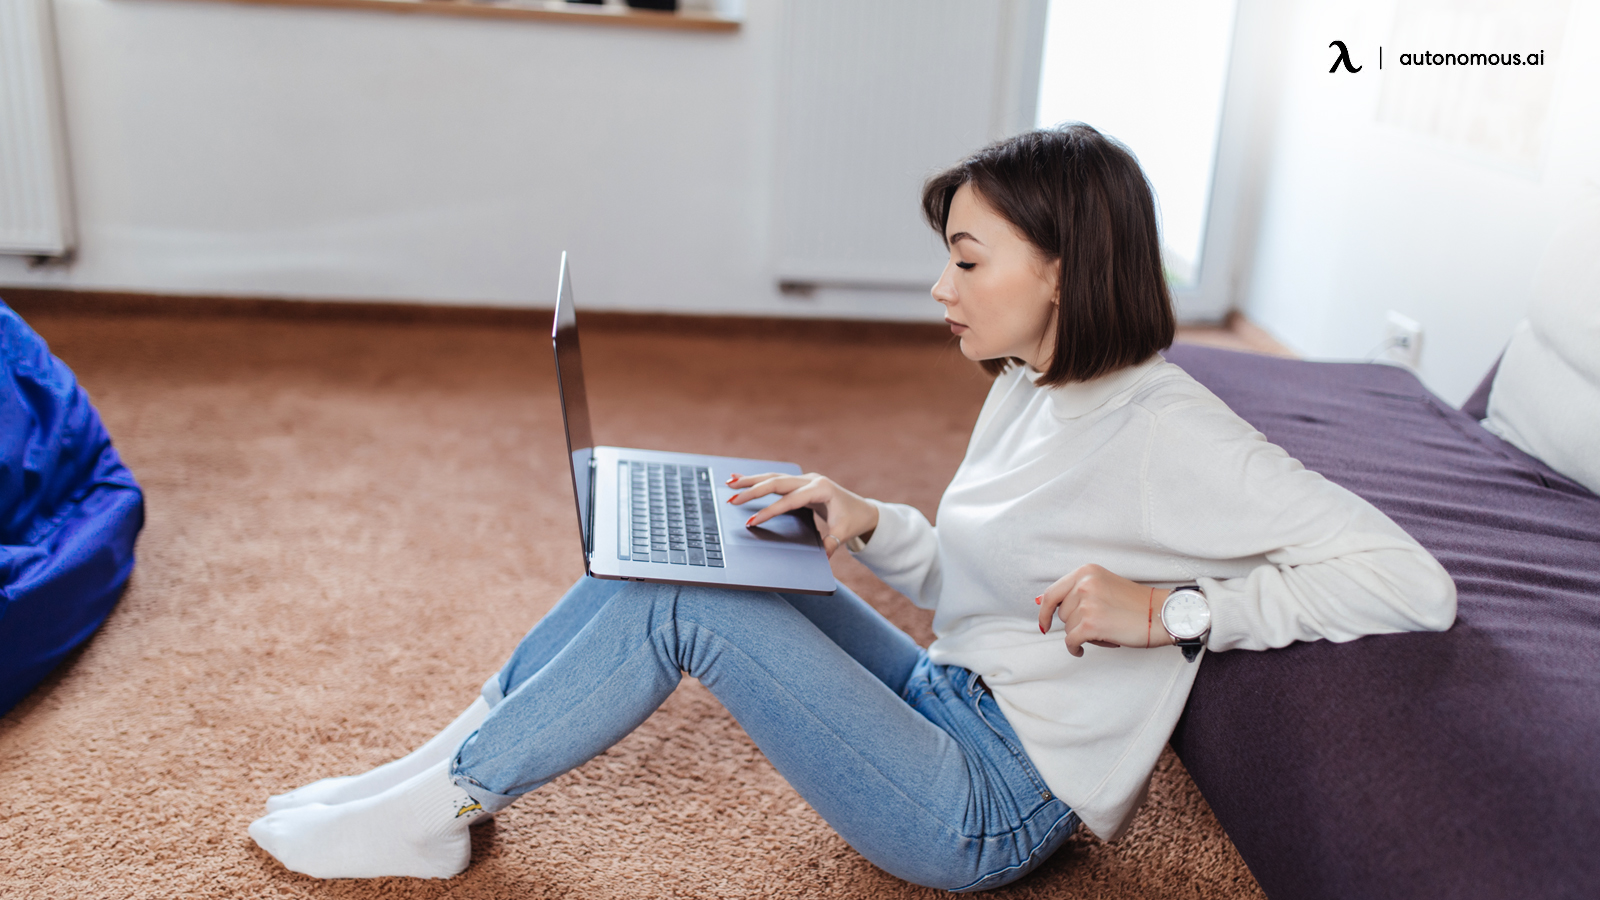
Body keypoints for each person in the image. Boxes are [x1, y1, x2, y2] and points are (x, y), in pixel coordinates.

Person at [248, 125, 1456, 890]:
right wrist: (870, 520)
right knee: (694, 544)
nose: (940, 287)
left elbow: (1410, 580)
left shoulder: (1172, 431)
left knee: (682, 606)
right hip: (943, 694)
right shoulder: (1036, 381)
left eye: (969, 260)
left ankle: (442, 802)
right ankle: (432, 773)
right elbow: (974, 577)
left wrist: (1171, 611)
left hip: (986, 807)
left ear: (1063, 269)